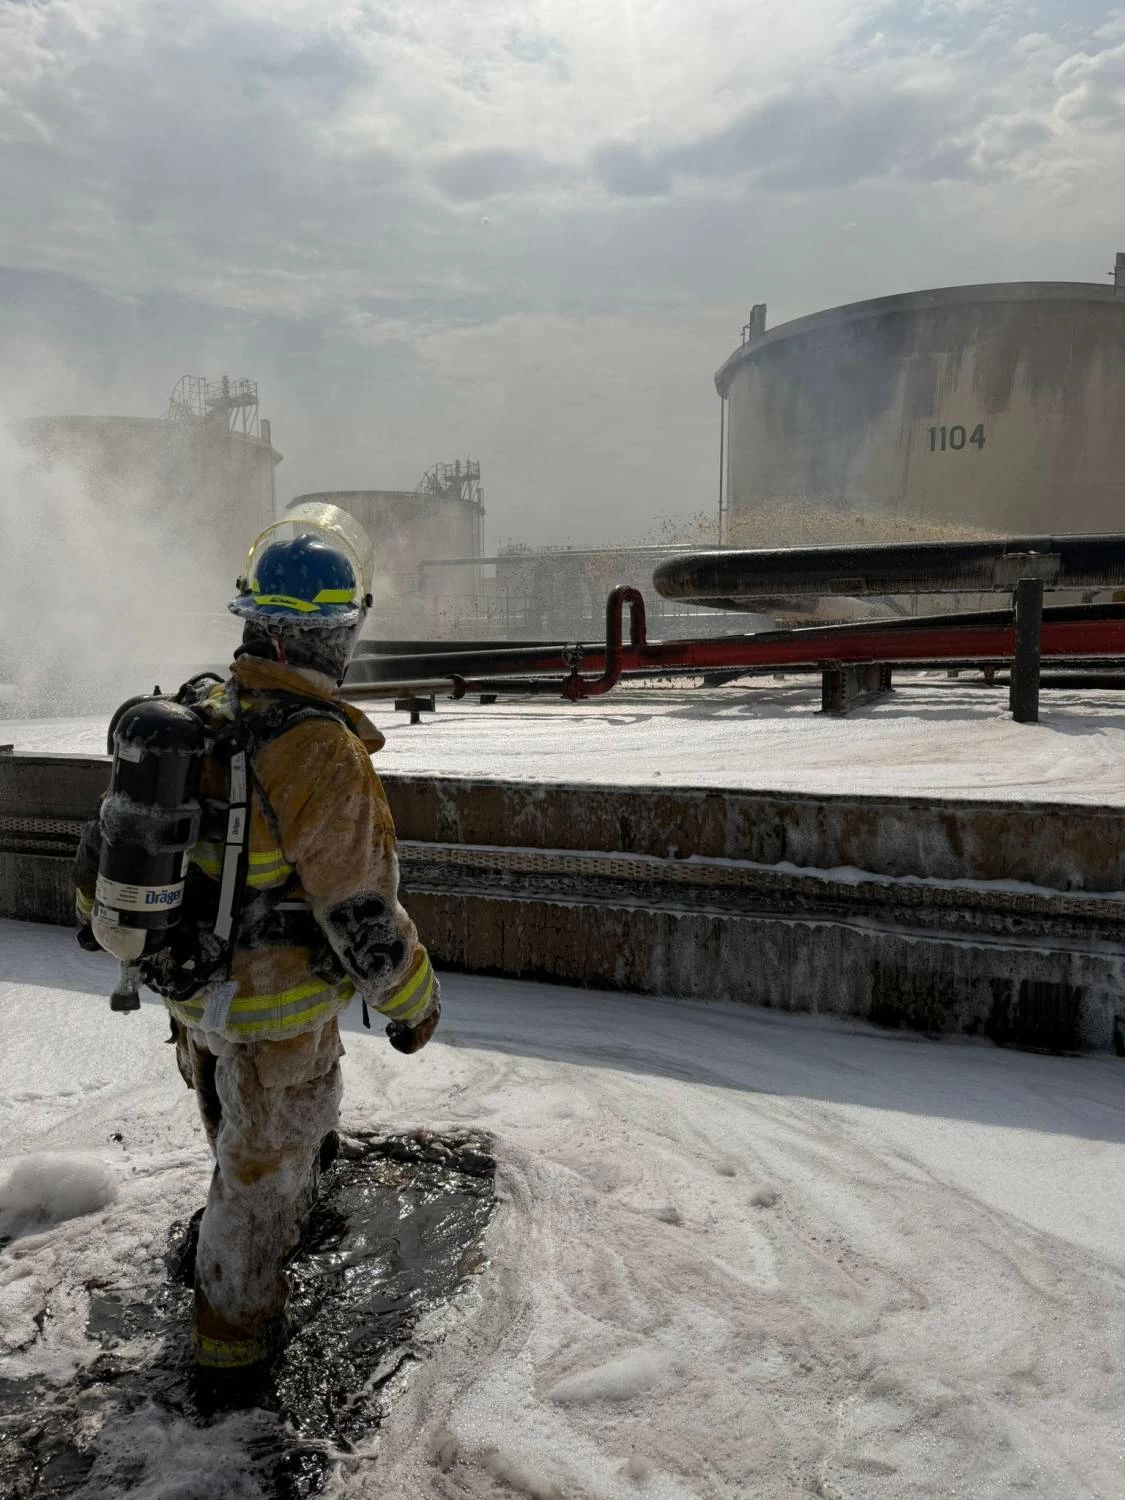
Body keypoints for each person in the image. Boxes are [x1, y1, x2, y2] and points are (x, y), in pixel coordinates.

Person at [75, 531, 439, 1382]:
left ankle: (225, 1268)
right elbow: (362, 916)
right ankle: (231, 1364)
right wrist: (412, 1005)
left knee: (235, 1143)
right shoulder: (318, 748)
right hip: (274, 1019)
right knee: (260, 1182)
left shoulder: (211, 708)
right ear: (332, 635)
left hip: (195, 995)